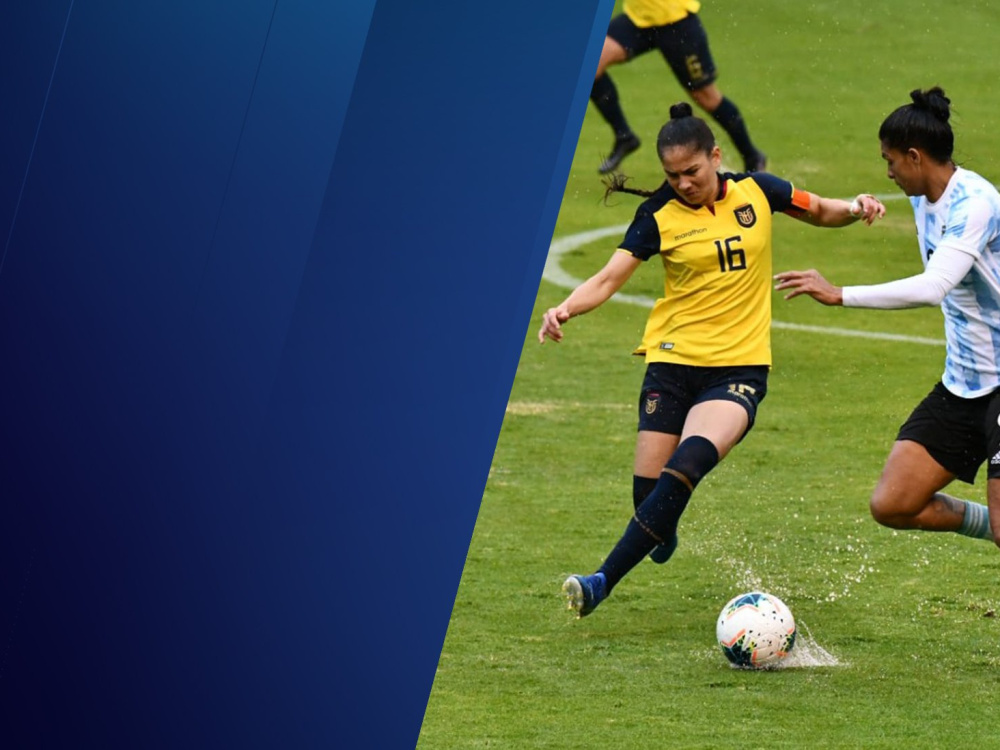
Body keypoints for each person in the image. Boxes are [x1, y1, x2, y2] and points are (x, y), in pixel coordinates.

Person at [540, 102, 885, 617]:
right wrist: (566, 307)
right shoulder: (657, 214)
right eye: (672, 175)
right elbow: (609, 277)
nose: (683, 183)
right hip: (672, 365)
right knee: (649, 500)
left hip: (738, 369)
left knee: (689, 463)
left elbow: (819, 210)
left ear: (715, 156)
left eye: (692, 172)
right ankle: (658, 525)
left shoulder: (759, 191)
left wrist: (856, 207)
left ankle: (600, 581)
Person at [775, 87, 1000, 550]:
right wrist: (860, 206)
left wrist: (840, 294)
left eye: (890, 161)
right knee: (893, 503)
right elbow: (874, 204)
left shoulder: (975, 203)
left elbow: (934, 285)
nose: (888, 173)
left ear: (915, 157)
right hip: (965, 381)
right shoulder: (924, 196)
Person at [591, 0, 766, 175]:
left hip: (677, 20)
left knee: (707, 97)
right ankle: (624, 136)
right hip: (639, 19)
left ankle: (752, 156)